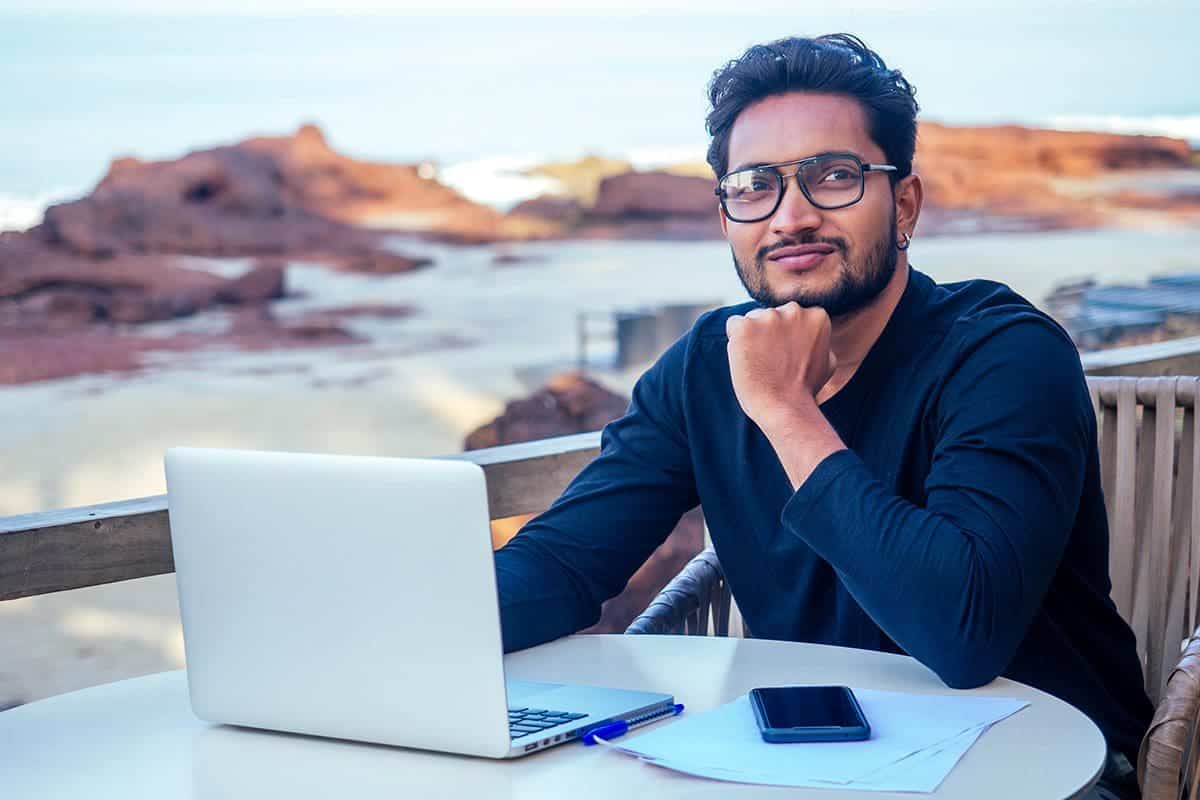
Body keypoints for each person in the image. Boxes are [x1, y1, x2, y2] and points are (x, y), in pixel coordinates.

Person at [494, 34, 1150, 798]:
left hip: (1049, 767)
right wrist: (404, 632)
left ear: (903, 203)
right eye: (753, 185)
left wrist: (784, 409)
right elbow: (565, 563)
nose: (791, 216)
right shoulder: (706, 364)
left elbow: (963, 633)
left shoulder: (1005, 353)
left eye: (833, 176)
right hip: (804, 765)